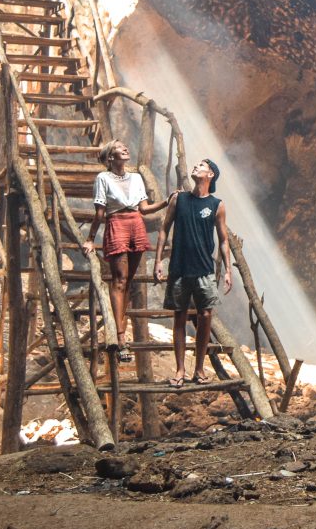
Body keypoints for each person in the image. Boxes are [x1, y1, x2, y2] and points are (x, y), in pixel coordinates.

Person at [81, 140, 167, 362]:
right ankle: (120, 338)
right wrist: (90, 239)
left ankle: (122, 328)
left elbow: (144, 208)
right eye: (120, 148)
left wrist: (167, 201)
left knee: (128, 282)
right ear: (110, 157)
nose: (126, 148)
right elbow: (100, 212)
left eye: (125, 146)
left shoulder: (136, 177)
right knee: (119, 280)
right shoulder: (103, 178)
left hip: (136, 224)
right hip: (117, 223)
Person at [155, 157, 235, 387]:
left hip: (204, 269)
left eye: (201, 166)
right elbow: (163, 229)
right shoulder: (178, 199)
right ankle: (180, 370)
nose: (195, 167)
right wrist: (159, 260)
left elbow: (223, 240)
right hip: (179, 268)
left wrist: (228, 270)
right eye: (196, 165)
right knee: (179, 316)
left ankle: (199, 369)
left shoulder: (216, 205)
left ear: (211, 175)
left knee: (205, 316)